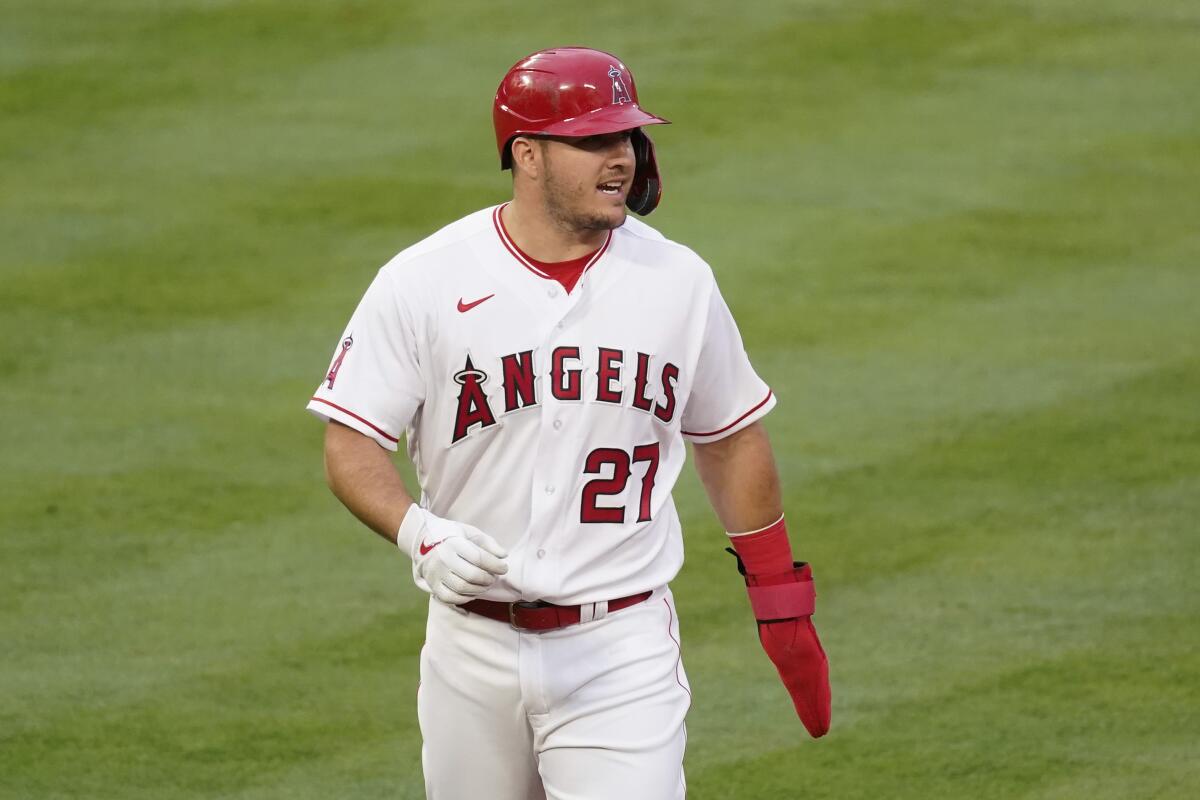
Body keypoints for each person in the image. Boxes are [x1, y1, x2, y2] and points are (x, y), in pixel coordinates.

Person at [307, 46, 830, 800]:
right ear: (526, 155)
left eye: (626, 139)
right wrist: (418, 531)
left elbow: (730, 438)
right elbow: (350, 442)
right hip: (469, 648)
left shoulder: (677, 281)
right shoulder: (424, 280)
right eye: (593, 142)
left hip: (619, 646)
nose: (620, 159)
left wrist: (780, 597)